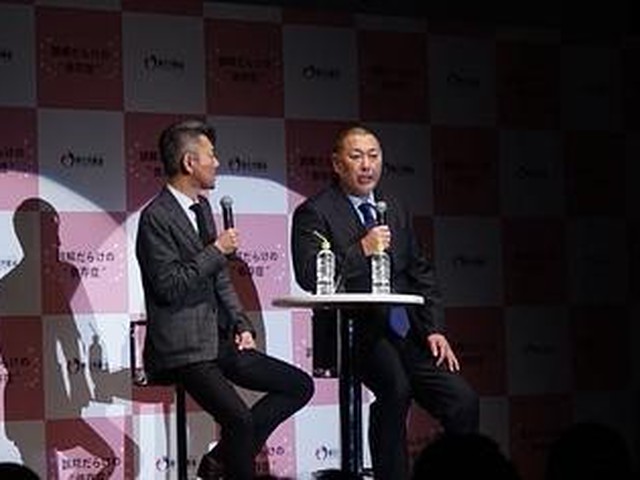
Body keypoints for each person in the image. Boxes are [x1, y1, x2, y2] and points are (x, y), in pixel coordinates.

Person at [291, 125, 479, 479]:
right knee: (396, 389)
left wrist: (435, 329)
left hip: (408, 330)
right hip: (356, 332)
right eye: (356, 156)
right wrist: (361, 249)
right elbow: (308, 275)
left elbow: (421, 272)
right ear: (337, 164)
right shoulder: (315, 212)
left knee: (462, 399)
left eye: (373, 156)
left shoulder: (395, 207)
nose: (367, 165)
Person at [136, 119, 314, 480]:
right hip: (182, 349)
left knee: (298, 385)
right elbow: (168, 286)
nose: (217, 162)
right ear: (189, 162)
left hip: (217, 341)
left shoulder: (201, 208)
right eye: (211, 155)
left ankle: (220, 458)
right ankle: (229, 459)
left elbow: (219, 277)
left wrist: (241, 323)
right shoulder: (155, 217)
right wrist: (217, 249)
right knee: (240, 421)